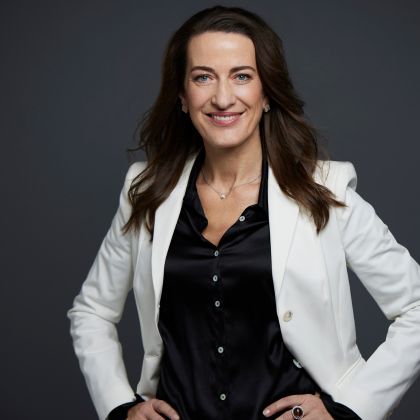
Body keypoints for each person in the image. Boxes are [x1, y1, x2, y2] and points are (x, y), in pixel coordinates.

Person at [67, 5, 420, 420]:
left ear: (266, 92)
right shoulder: (146, 192)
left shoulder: (325, 191)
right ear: (182, 96)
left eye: (242, 76)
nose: (222, 97)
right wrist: (120, 408)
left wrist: (350, 410)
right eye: (203, 77)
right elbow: (91, 312)